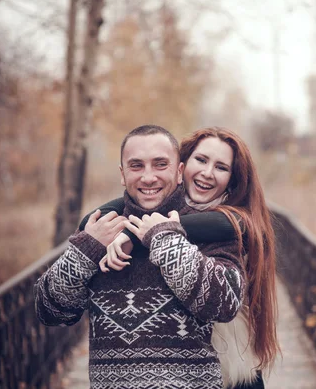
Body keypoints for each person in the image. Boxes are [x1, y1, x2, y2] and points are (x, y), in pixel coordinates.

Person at [34, 125, 246, 389]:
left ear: (179, 172)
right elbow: (50, 310)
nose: (148, 177)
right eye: (136, 166)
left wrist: (162, 238)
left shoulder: (211, 229)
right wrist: (86, 249)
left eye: (160, 164)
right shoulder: (100, 230)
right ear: (122, 175)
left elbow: (224, 304)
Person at [100, 127, 279, 388]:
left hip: (234, 369)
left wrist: (139, 234)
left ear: (232, 179)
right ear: (181, 167)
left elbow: (209, 225)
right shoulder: (161, 203)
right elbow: (96, 216)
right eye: (202, 160)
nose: (207, 173)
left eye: (221, 167)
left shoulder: (235, 220)